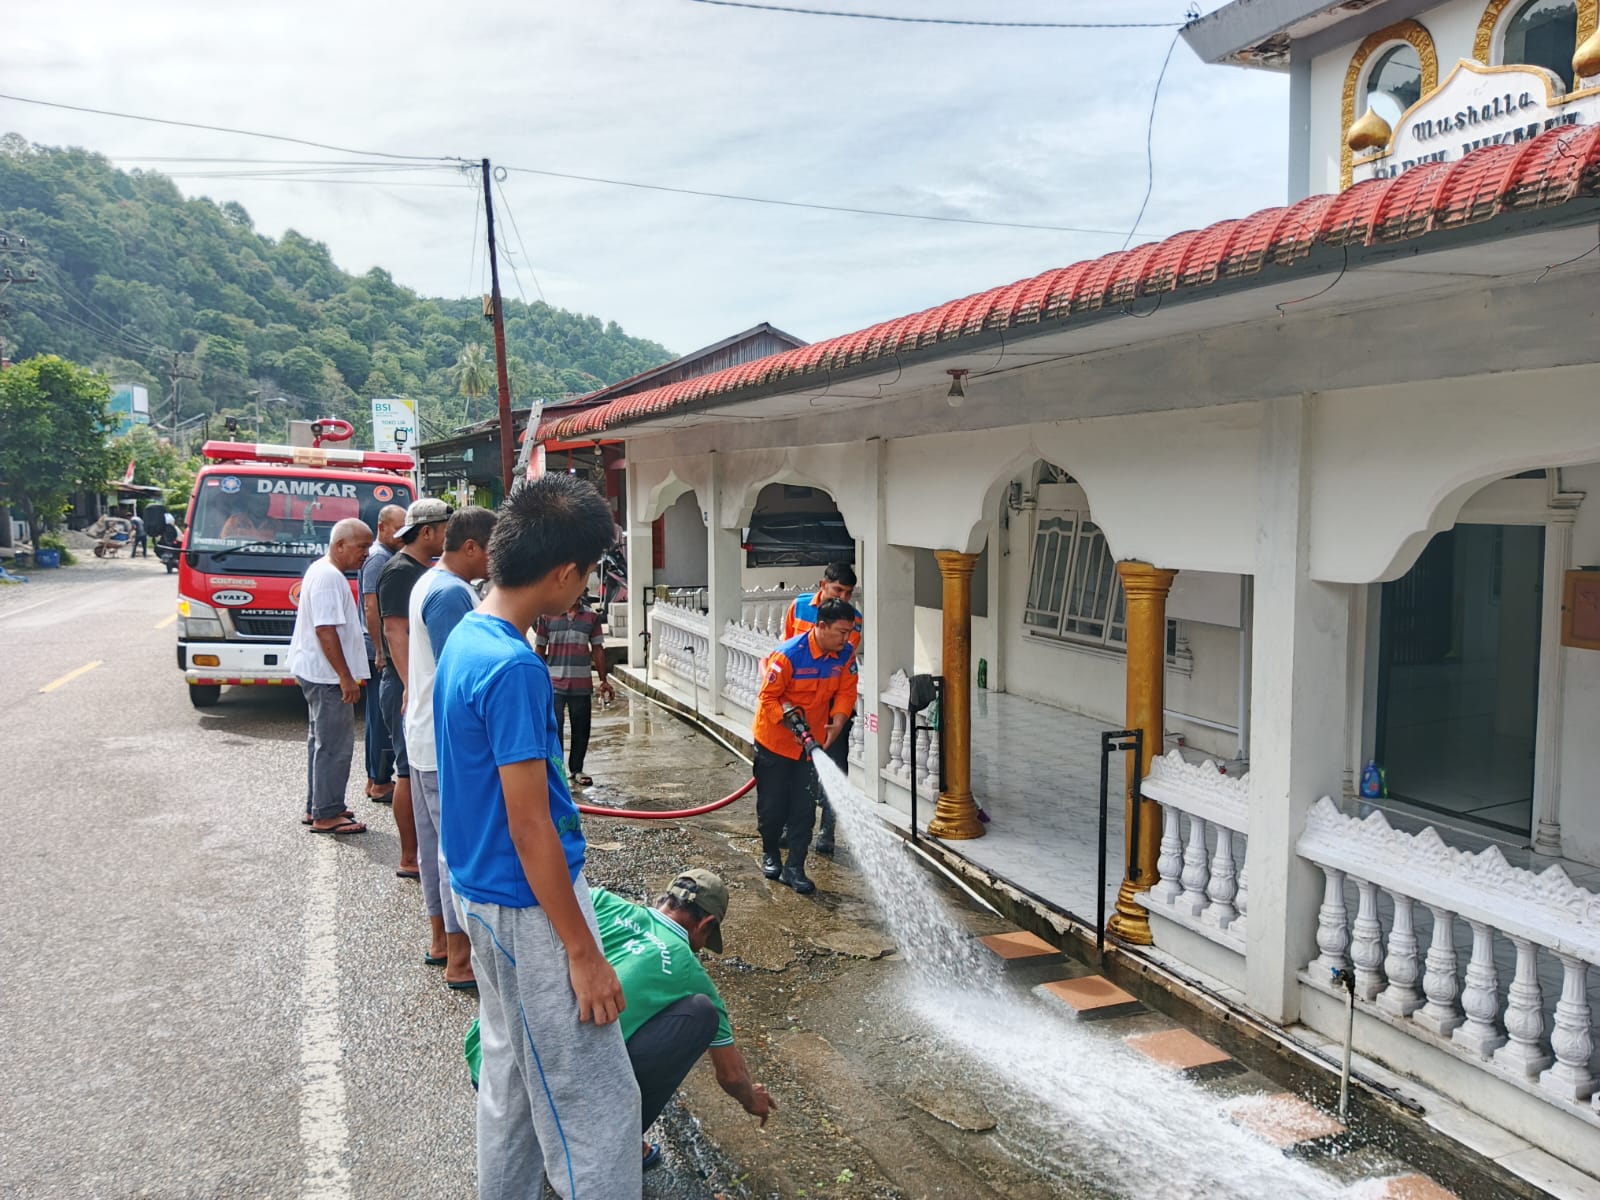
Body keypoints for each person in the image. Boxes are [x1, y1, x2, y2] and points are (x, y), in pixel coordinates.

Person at [435, 474, 639, 1199]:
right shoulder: (515, 668)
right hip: (530, 913)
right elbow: (529, 826)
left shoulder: (467, 634)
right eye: (585, 575)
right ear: (561, 573)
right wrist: (583, 954)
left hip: (481, 898)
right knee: (600, 1109)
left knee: (514, 1087)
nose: (584, 589)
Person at [463, 869, 777, 1172]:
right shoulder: (693, 975)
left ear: (663, 900)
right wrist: (753, 1100)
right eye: (704, 941)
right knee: (701, 1014)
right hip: (557, 1101)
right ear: (705, 925)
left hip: (491, 1064)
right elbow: (731, 1075)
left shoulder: (599, 900)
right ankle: (613, 1143)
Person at [406, 505, 496, 990]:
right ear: (470, 548)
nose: (494, 562)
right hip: (442, 745)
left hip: (424, 735)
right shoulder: (450, 594)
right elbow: (458, 675)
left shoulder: (431, 581)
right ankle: (459, 958)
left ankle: (443, 943)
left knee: (435, 846)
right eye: (491, 550)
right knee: (453, 851)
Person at [752, 598, 859, 895]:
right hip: (774, 743)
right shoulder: (790, 655)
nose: (846, 638)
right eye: (841, 632)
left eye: (850, 631)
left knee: (803, 809)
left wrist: (837, 723)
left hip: (809, 747)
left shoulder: (845, 655)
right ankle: (771, 853)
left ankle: (795, 868)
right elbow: (768, 697)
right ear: (821, 626)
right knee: (773, 808)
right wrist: (789, 722)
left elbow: (847, 692)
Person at [377, 498, 452, 881]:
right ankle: (410, 856)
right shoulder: (399, 571)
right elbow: (394, 631)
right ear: (427, 532)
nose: (447, 537)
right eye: (444, 529)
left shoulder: (423, 569)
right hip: (404, 683)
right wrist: (411, 686)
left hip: (414, 683)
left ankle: (422, 853)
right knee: (408, 771)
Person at [287, 518, 374, 835]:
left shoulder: (326, 572)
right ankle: (326, 812)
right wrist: (345, 677)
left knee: (322, 742)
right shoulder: (327, 577)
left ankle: (320, 805)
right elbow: (325, 630)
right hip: (326, 677)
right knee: (334, 745)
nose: (366, 553)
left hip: (321, 673)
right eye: (362, 546)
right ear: (340, 545)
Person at [781, 563, 863, 856]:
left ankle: (827, 830)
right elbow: (788, 648)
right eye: (838, 590)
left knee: (835, 768)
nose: (843, 598)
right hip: (799, 710)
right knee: (796, 767)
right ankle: (791, 827)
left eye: (848, 593)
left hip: (831, 712)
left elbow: (840, 662)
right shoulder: (799, 607)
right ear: (822, 584)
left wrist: (836, 720)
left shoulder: (853, 621)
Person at [535, 597, 614, 788]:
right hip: (553, 684)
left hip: (581, 684)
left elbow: (597, 649)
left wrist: (604, 680)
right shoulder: (547, 616)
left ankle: (577, 769)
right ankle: (557, 770)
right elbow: (539, 648)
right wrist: (536, 679)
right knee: (555, 729)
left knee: (581, 729)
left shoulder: (591, 617)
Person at [361, 504, 406, 803]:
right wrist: (380, 649)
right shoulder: (379, 559)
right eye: (397, 529)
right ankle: (379, 780)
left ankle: (374, 778)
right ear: (382, 528)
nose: (402, 535)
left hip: (379, 649)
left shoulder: (386, 556)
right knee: (381, 718)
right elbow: (370, 606)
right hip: (379, 651)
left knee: (377, 717)